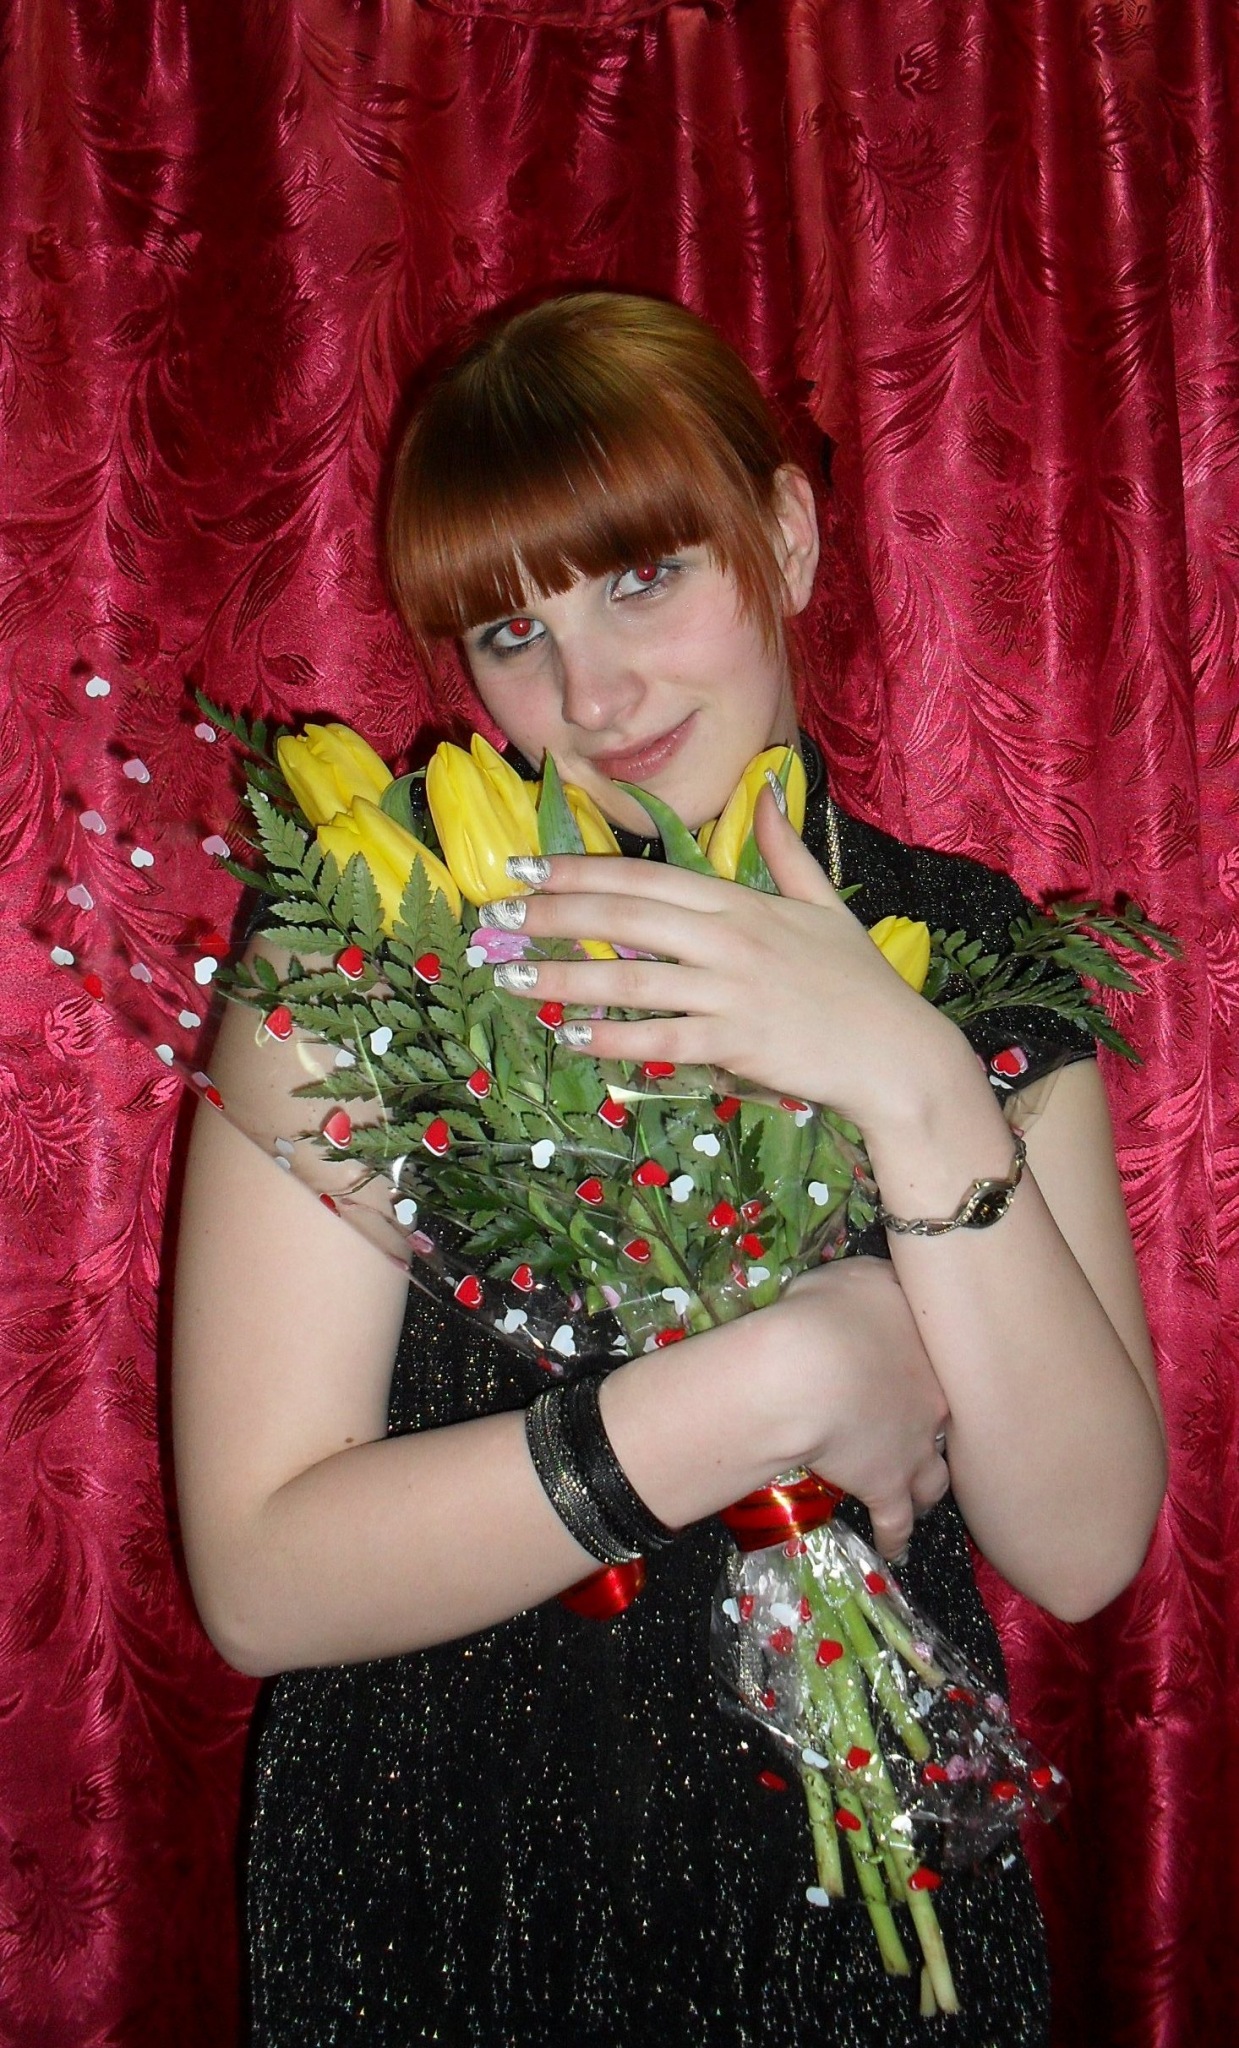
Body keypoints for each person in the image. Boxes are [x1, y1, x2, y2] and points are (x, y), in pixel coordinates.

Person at [172, 292, 1166, 2047]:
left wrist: (911, 1078)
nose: (592, 694)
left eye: (642, 577)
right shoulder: (373, 951)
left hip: (871, 1954)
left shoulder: (966, 948)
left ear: (785, 533)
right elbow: (260, 1582)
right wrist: (777, 1382)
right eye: (512, 629)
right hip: (441, 1911)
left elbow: (1081, 1548)